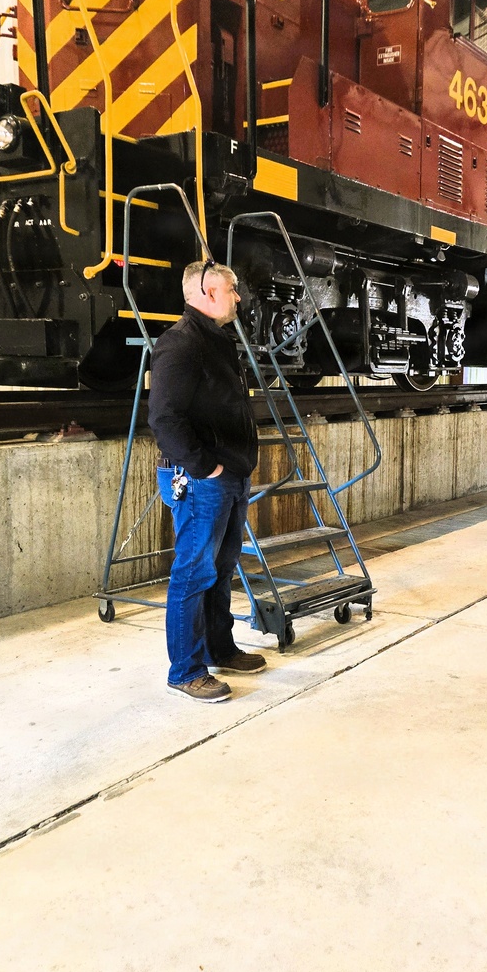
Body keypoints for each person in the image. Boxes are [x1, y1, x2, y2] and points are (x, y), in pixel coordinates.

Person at [148, 259, 266, 702]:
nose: (238, 297)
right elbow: (163, 418)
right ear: (207, 292)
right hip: (203, 479)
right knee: (192, 573)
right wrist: (204, 467)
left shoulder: (216, 340)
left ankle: (220, 647)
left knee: (221, 567)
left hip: (230, 473)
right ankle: (186, 671)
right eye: (232, 289)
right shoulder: (180, 344)